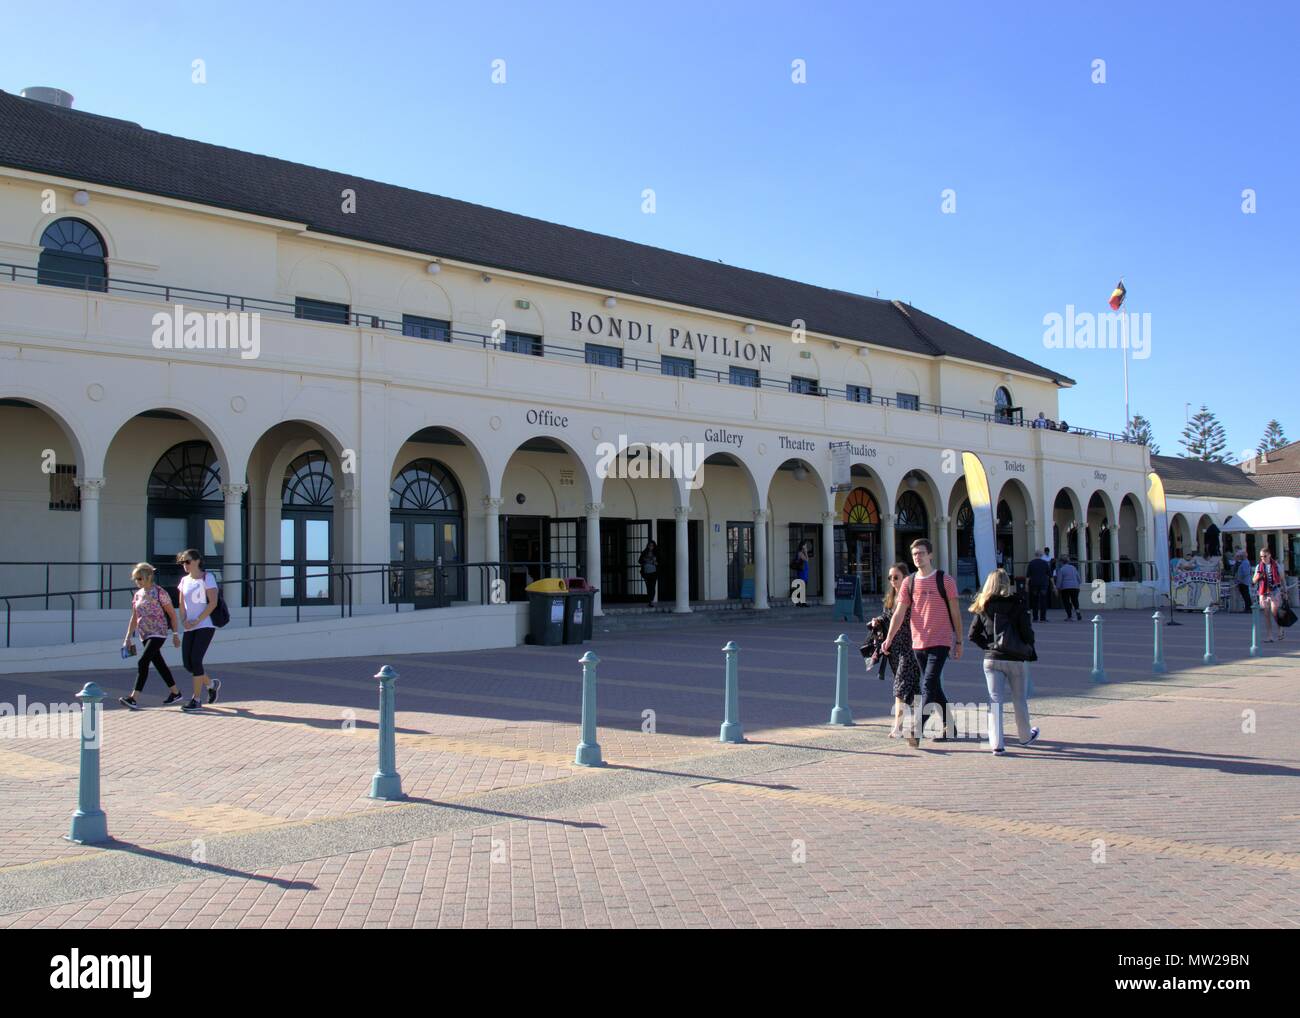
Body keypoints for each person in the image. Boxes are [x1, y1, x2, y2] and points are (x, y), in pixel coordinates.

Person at [881, 538, 963, 742]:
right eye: (915, 554)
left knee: (927, 684)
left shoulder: (945, 581)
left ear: (930, 555)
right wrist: (888, 638)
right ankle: (950, 726)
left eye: (921, 553)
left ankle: (916, 730)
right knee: (934, 686)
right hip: (918, 643)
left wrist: (959, 641)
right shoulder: (909, 583)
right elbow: (898, 614)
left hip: (940, 640)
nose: (917, 557)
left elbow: (955, 613)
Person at [967, 569, 1040, 754]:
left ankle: (997, 744)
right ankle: (1025, 736)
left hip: (992, 659)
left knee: (995, 701)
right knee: (1019, 700)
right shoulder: (1018, 603)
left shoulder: (983, 605)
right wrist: (1028, 646)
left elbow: (972, 635)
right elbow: (1027, 631)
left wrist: (989, 646)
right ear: (1007, 583)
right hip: (1015, 658)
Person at [867, 563, 923, 747]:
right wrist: (878, 621)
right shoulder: (891, 597)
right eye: (890, 578)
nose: (893, 581)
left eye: (896, 577)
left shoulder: (912, 596)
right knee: (913, 689)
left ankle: (898, 726)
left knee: (900, 686)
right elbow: (887, 617)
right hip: (894, 649)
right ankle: (941, 722)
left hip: (911, 647)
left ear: (906, 578)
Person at [119, 562, 183, 709]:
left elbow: (172, 614)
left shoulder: (160, 592)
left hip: (158, 632)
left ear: (148, 577)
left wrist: (175, 634)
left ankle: (133, 698)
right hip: (144, 634)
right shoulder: (137, 595)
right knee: (159, 663)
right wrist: (128, 636)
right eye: (136, 579)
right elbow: (134, 617)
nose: (137, 582)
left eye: (140, 578)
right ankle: (175, 692)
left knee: (143, 662)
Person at [176, 549, 222, 711]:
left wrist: (197, 620)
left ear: (197, 561)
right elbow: (182, 605)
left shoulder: (207, 577)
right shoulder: (184, 581)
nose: (184, 565)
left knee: (196, 660)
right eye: (182, 562)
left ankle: (196, 699)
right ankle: (211, 685)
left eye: (187, 561)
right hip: (190, 626)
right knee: (188, 664)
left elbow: (213, 603)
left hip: (205, 625)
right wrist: (184, 621)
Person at [1253, 547, 1288, 642]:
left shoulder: (1276, 566)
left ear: (1269, 555)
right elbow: (1253, 580)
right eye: (1261, 556)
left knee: (1275, 613)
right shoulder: (1259, 567)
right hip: (1263, 592)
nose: (1262, 558)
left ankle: (1280, 629)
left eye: (1264, 556)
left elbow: (1282, 579)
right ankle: (1269, 636)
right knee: (1266, 614)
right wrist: (1259, 576)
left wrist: (1285, 592)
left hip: (1275, 591)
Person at [1025, 547, 1052, 623]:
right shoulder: (1045, 563)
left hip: (1034, 584)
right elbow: (1050, 575)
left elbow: (1028, 576)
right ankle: (1043, 618)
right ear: (1041, 555)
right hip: (1043, 584)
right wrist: (1054, 586)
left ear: (1035, 555)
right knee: (1043, 601)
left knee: (1034, 601)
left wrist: (1026, 585)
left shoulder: (1031, 563)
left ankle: (1035, 617)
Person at [1055, 554, 1082, 620]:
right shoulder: (1073, 568)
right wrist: (1077, 584)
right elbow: (1079, 579)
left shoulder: (1061, 569)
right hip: (1075, 587)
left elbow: (1059, 580)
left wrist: (1057, 587)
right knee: (1075, 600)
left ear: (1061, 562)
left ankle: (1069, 615)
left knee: (1066, 601)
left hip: (1065, 587)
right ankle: (1077, 612)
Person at [638, 540, 659, 607]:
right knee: (648, 587)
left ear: (654, 546)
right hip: (646, 573)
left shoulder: (656, 553)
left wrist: (654, 562)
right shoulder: (644, 552)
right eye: (649, 545)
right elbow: (640, 561)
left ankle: (651, 601)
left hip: (654, 573)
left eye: (652, 546)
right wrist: (645, 561)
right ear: (647, 546)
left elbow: (659, 562)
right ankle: (649, 600)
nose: (651, 547)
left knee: (652, 587)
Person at [793, 540, 811, 606]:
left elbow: (807, 560)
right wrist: (806, 552)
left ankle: (798, 602)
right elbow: (806, 560)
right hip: (802, 572)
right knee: (802, 587)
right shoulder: (800, 553)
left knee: (802, 587)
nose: (806, 546)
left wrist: (805, 552)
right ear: (802, 546)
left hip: (804, 572)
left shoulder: (802, 553)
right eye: (805, 545)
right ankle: (802, 602)